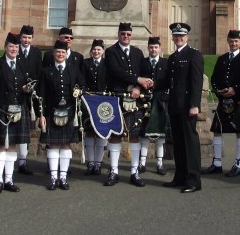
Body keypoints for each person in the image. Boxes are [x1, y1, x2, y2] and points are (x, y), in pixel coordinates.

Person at [103, 22, 153, 187]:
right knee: (115, 135)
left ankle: (134, 172)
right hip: (117, 97)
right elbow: (116, 71)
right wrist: (137, 80)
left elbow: (144, 71)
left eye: (128, 34)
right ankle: (114, 171)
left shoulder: (138, 52)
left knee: (135, 135)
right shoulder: (111, 52)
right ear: (118, 34)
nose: (126, 36)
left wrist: (138, 87)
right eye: (123, 34)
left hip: (135, 99)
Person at [157, 22, 204, 193]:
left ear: (187, 37)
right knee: (178, 143)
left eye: (181, 36)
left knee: (190, 143)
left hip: (187, 106)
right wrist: (148, 83)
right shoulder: (173, 58)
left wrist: (194, 105)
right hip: (174, 105)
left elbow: (196, 82)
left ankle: (193, 180)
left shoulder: (194, 55)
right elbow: (166, 81)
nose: (178, 38)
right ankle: (180, 177)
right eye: (176, 36)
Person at [0, 32, 31, 194]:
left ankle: (9, 179)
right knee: (1, 145)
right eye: (11, 46)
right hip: (0, 110)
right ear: (5, 47)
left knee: (12, 146)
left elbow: (25, 85)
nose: (14, 49)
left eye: (16, 47)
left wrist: (26, 89)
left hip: (18, 109)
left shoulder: (22, 64)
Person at [206, 29, 240, 177]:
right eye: (231, 41)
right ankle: (217, 163)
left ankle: (238, 163)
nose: (233, 43)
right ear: (227, 42)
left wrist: (235, 89)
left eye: (236, 41)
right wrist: (218, 90)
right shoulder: (222, 59)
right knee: (217, 130)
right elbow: (214, 78)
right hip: (223, 100)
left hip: (238, 100)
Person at [38, 40, 85, 190]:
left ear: (66, 54)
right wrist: (42, 115)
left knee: (66, 145)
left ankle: (63, 177)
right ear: (53, 54)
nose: (60, 54)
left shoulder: (73, 70)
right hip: (52, 112)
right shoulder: (46, 71)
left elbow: (82, 85)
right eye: (58, 52)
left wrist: (79, 90)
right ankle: (53, 177)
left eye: (63, 52)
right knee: (52, 144)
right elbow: (42, 95)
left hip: (69, 111)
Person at [138, 36, 169, 175]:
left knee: (160, 135)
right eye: (151, 47)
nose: (153, 50)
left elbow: (168, 81)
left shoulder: (165, 63)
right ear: (148, 48)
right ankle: (142, 162)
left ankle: (160, 163)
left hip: (160, 101)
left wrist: (155, 84)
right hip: (145, 102)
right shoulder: (142, 63)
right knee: (144, 134)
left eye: (156, 47)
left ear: (160, 48)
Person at [16, 24, 42, 176]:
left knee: (26, 132)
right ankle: (13, 161)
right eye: (24, 37)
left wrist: (33, 87)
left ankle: (22, 162)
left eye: (29, 38)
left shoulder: (36, 52)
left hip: (30, 97)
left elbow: (38, 72)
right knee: (17, 131)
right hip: (17, 95)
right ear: (20, 37)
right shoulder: (14, 49)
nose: (26, 40)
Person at [82, 39, 108, 175]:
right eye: (94, 49)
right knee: (90, 132)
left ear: (103, 51)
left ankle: (98, 163)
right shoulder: (85, 63)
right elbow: (81, 80)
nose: (96, 52)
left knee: (101, 132)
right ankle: (90, 163)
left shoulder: (107, 64)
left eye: (99, 49)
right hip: (89, 101)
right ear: (91, 50)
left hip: (104, 102)